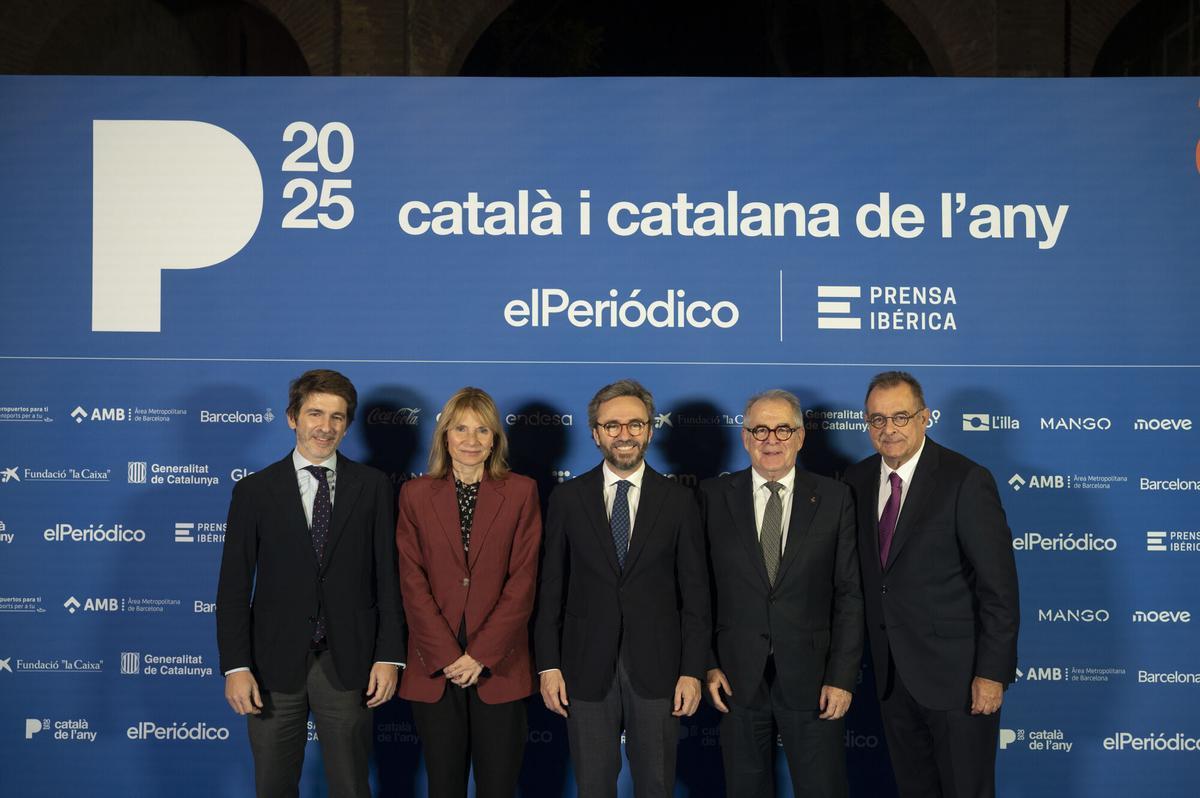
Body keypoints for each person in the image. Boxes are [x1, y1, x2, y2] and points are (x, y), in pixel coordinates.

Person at [216, 369, 406, 798]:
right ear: (292, 418)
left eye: (337, 417)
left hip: (351, 660)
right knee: (274, 786)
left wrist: (389, 655)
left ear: (348, 425)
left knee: (351, 786)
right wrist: (236, 665)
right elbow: (232, 588)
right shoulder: (254, 492)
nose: (325, 427)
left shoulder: (373, 486)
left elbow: (388, 578)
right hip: (270, 665)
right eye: (315, 413)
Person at [842, 371, 1019, 798]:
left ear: (925, 418)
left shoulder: (965, 479)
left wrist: (991, 673)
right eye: (877, 419)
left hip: (959, 681)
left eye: (900, 417)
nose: (889, 430)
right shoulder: (855, 481)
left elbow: (999, 589)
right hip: (891, 677)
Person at [534, 379, 710, 798]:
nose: (624, 434)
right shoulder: (567, 498)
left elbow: (696, 597)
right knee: (593, 786)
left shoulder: (680, 500)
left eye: (635, 424)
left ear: (650, 429)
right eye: (612, 426)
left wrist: (691, 670)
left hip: (660, 670)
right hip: (583, 668)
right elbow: (550, 591)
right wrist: (548, 665)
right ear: (595, 433)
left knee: (656, 785)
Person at [700, 389, 862, 798]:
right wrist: (708, 663)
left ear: (801, 436)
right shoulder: (711, 498)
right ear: (745, 436)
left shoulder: (835, 498)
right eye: (760, 429)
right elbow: (697, 591)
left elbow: (849, 595)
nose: (771, 439)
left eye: (783, 429)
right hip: (736, 679)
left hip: (814, 680)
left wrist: (841, 678)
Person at [395, 387, 541, 798]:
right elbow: (411, 580)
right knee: (443, 785)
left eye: (482, 430)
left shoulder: (521, 492)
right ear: (445, 435)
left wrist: (480, 655)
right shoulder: (415, 494)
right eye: (461, 429)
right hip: (435, 664)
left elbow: (524, 580)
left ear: (495, 438)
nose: (471, 440)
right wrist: (447, 656)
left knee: (498, 785)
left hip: (499, 663)